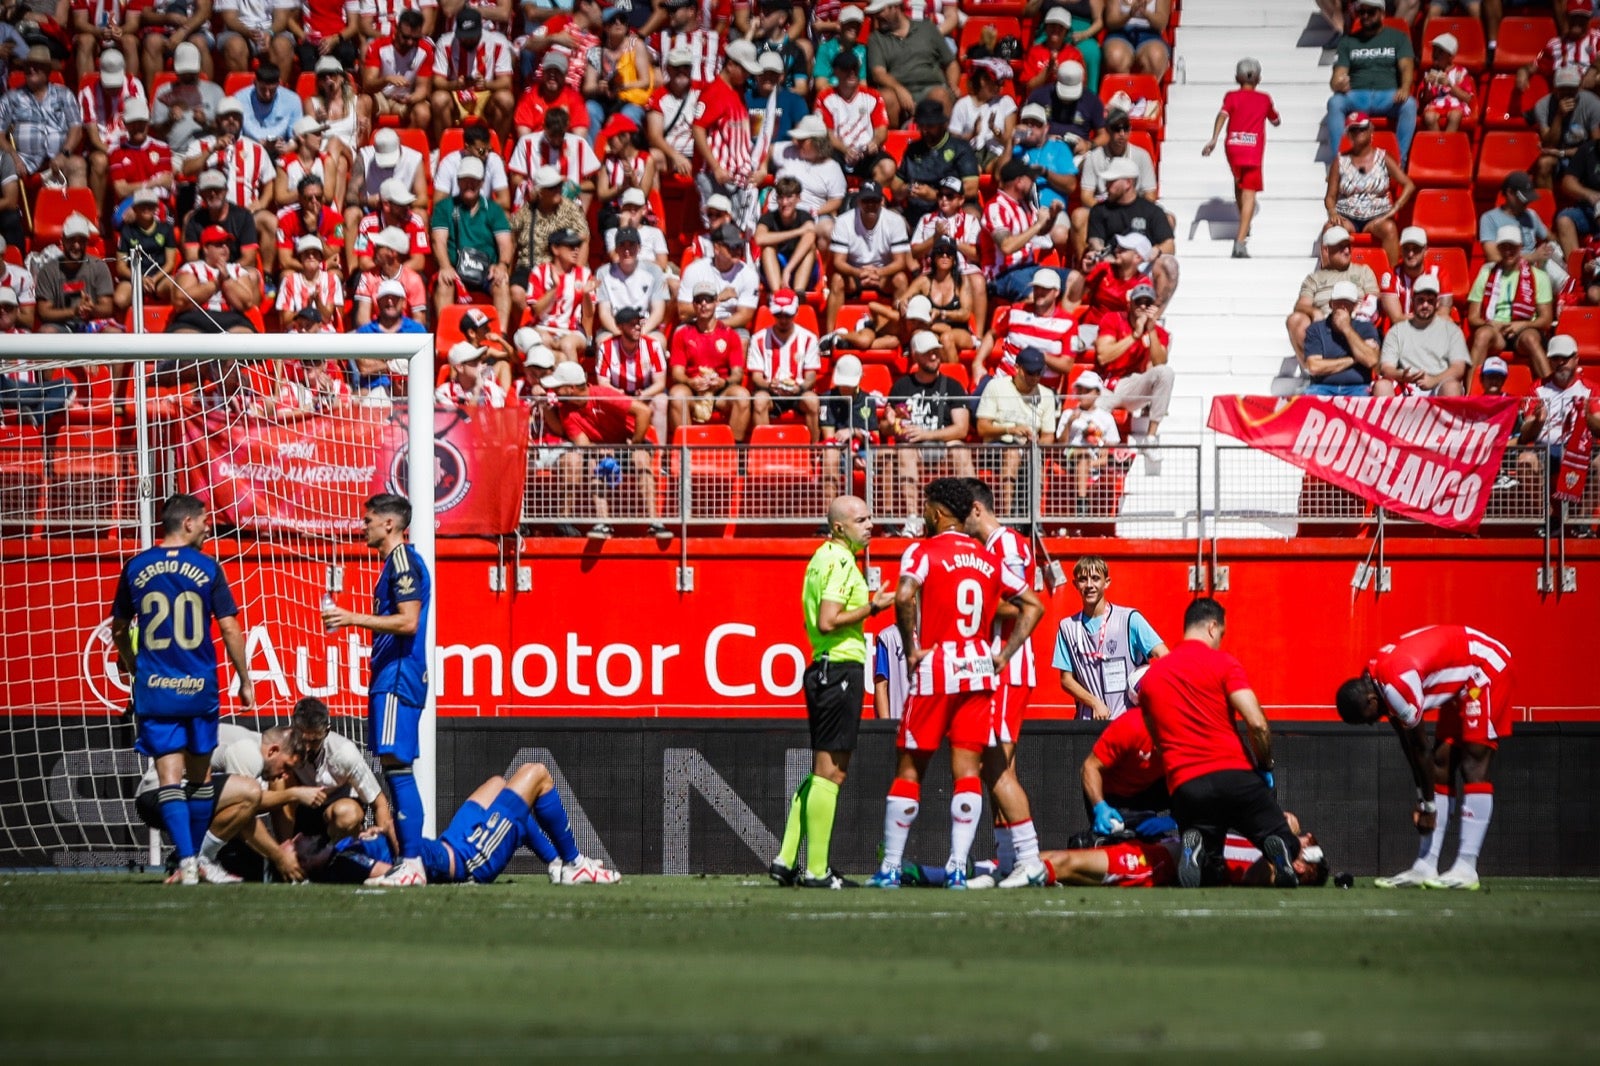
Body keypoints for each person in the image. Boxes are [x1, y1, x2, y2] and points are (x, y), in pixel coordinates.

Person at [866, 478, 1044, 890]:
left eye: (927, 508)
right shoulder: (986, 557)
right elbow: (1033, 604)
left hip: (938, 667)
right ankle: (957, 868)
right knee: (969, 770)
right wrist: (1002, 653)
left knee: (910, 767)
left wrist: (911, 649)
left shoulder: (922, 550)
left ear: (938, 511)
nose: (923, 515)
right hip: (979, 668)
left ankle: (891, 866)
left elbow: (904, 595)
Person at [110, 494, 254, 886]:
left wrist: (133, 664)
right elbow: (228, 628)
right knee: (201, 778)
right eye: (205, 521)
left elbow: (120, 628)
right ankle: (199, 859)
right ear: (188, 523)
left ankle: (189, 862)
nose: (209, 527)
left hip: (155, 689)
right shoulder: (207, 567)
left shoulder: (135, 566)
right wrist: (245, 679)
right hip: (198, 688)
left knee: (168, 777)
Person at [770, 495, 896, 890]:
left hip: (826, 668)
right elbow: (828, 621)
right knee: (832, 773)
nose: (870, 524)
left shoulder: (821, 558)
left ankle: (787, 859)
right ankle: (816, 869)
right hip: (838, 667)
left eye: (870, 517)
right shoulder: (841, 562)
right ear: (839, 527)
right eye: (861, 520)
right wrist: (874, 608)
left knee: (822, 772)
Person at [1336, 626, 1516, 891]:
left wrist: (1428, 807)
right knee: (1442, 764)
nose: (1372, 723)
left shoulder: (1395, 686)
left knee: (1473, 763)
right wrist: (1423, 799)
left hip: (1484, 669)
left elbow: (1420, 746)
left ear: (1372, 702)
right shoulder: (1372, 681)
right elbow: (1408, 745)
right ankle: (1426, 864)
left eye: (1368, 719)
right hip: (1460, 682)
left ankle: (1466, 866)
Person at [1139, 598, 1299, 888]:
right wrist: (1264, 765)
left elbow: (1157, 741)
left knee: (1211, 870)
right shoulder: (1224, 662)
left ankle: (1198, 843)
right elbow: (1257, 723)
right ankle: (1275, 844)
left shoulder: (1151, 679)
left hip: (1187, 784)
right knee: (1289, 843)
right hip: (1235, 775)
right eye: (1221, 634)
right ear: (1213, 627)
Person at [321, 493, 433, 887]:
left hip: (397, 677)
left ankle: (412, 862)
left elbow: (408, 622)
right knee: (396, 768)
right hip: (396, 677)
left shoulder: (402, 561)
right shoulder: (395, 564)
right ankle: (410, 861)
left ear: (389, 524)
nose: (362, 525)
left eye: (368, 519)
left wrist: (350, 617)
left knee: (397, 770)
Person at [308, 762, 620, 887]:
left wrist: (369, 833)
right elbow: (391, 872)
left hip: (450, 842)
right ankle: (573, 863)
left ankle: (555, 863)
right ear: (307, 863)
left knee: (499, 784)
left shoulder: (346, 849)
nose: (297, 841)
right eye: (300, 848)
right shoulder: (343, 863)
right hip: (468, 859)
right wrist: (387, 828)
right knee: (536, 773)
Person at [957, 479, 1049, 890]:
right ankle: (1009, 858)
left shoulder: (1007, 544)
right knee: (996, 766)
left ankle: (1026, 859)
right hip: (995, 668)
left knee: (995, 765)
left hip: (1008, 667)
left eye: (961, 515)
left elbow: (1021, 604)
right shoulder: (992, 548)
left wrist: (968, 594)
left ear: (976, 509)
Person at [132, 722, 308, 884]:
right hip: (158, 796)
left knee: (246, 804)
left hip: (163, 797)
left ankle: (192, 858)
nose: (285, 775)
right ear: (273, 751)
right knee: (250, 792)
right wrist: (280, 857)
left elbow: (240, 810)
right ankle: (198, 859)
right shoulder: (249, 751)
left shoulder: (251, 745)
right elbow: (246, 813)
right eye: (287, 767)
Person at [541, 361, 669, 541]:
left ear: (570, 389)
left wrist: (634, 443)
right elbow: (583, 444)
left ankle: (655, 523)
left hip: (631, 442)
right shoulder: (566, 411)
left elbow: (644, 412)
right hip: (603, 449)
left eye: (557, 387)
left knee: (640, 457)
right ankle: (603, 523)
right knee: (594, 460)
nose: (553, 391)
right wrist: (599, 449)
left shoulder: (602, 394)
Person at [1038, 816, 1328, 888]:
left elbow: (1259, 875)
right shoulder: (1263, 845)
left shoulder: (1272, 870)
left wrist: (1284, 841)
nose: (1308, 836)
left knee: (1064, 862)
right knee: (1066, 857)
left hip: (1158, 864)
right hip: (1163, 845)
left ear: (1301, 867)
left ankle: (996, 870)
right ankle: (1003, 869)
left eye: (1309, 844)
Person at [1052, 554, 1166, 721]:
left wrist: (1150, 689)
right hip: (1087, 725)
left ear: (1107, 582)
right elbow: (1066, 680)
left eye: (1096, 578)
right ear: (1075, 584)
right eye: (1083, 579)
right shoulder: (1067, 627)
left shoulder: (1129, 619)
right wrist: (1094, 703)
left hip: (1128, 722)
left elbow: (1164, 656)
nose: (1089, 585)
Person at [883, 333, 975, 534]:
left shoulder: (952, 386)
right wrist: (893, 424)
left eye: (936, 352)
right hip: (913, 448)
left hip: (942, 443)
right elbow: (888, 428)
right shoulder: (902, 386)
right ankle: (913, 519)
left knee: (961, 450)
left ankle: (970, 515)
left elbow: (961, 428)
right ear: (915, 355)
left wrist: (926, 435)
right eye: (928, 353)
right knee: (904, 451)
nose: (934, 356)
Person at [277, 697, 391, 845]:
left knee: (347, 813)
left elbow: (379, 802)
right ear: (293, 728)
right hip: (303, 811)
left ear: (326, 732)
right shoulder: (282, 746)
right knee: (279, 782)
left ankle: (345, 856)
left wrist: (383, 843)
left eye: (314, 741)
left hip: (338, 810)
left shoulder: (344, 753)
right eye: (302, 740)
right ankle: (285, 852)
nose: (306, 748)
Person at [1201, 58, 1279, 258]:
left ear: (1237, 78)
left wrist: (1214, 139)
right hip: (1252, 149)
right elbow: (1275, 119)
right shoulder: (1264, 98)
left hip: (1233, 148)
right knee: (1249, 193)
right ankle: (1240, 242)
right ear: (1259, 78)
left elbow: (1222, 115)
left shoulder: (1231, 96)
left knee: (1240, 183)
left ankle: (1245, 226)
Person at [1326, 0, 1417, 167]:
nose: (1365, 16)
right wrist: (1338, 84)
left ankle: (1399, 161)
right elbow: (1336, 76)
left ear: (1382, 13)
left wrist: (1405, 88)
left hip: (1387, 95)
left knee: (1409, 105)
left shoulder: (1398, 38)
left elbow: (1406, 66)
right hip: (1358, 95)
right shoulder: (1349, 41)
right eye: (1362, 12)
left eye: (1371, 12)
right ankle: (1339, 163)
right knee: (1335, 102)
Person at [1086, 157, 1178, 314]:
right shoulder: (1099, 211)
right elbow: (1096, 243)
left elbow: (1169, 245)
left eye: (1111, 181)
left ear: (1128, 183)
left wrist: (1155, 250)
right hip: (1113, 262)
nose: (1106, 186)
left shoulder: (1152, 211)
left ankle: (1153, 316)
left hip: (1141, 263)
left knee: (1169, 264)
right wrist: (1111, 258)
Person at [431, 155, 513, 327]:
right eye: (465, 180)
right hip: (455, 268)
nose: (470, 185)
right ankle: (444, 334)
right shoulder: (444, 207)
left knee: (502, 282)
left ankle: (500, 334)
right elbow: (439, 241)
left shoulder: (494, 209)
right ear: (458, 181)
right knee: (444, 281)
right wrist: (445, 266)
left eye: (474, 180)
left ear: (482, 182)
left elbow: (505, 243)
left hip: (485, 270)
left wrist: (502, 265)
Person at [974, 348, 1058, 514]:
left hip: (1027, 449)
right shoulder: (996, 386)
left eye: (1039, 372)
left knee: (1034, 455)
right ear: (1017, 368)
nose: (1035, 377)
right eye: (1030, 372)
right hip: (996, 447)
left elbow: (1048, 436)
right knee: (1012, 453)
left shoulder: (1047, 395)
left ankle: (1033, 517)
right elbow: (982, 427)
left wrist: (1036, 442)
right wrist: (1010, 430)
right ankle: (1008, 515)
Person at [1325, 111, 1414, 266]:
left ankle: (1391, 280)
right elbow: (1330, 197)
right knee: (1329, 228)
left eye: (1362, 128)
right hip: (1347, 216)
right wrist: (1332, 213)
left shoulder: (1383, 157)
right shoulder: (1340, 161)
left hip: (1377, 217)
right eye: (1353, 129)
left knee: (1389, 229)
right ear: (1349, 134)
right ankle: (1329, 277)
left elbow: (1409, 184)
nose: (1358, 132)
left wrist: (1395, 209)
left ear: (1371, 129)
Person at [667, 281, 753, 442]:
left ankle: (733, 454)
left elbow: (737, 373)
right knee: (677, 395)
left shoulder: (730, 334)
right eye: (699, 301)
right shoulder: (682, 333)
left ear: (716, 302)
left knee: (742, 396)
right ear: (693, 304)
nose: (703, 304)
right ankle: (685, 453)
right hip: (692, 388)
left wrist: (723, 382)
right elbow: (677, 372)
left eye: (708, 300)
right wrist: (690, 381)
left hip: (720, 390)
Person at [1467, 224, 1555, 379]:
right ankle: (1469, 395)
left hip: (1523, 328)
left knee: (1531, 338)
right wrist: (1489, 324)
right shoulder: (1486, 273)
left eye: (1512, 247)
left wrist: (1523, 324)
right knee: (1482, 335)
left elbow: (1546, 319)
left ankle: (1551, 392)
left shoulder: (1538, 276)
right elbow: (1473, 317)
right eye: (1504, 247)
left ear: (1520, 247)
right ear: (1499, 248)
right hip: (1495, 330)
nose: (1508, 252)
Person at [1093, 281, 1173, 448]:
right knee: (1091, 414)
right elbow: (1103, 356)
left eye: (1148, 303)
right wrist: (1135, 336)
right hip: (1108, 384)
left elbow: (1160, 363)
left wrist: (1150, 331)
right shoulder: (1113, 319)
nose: (1143, 306)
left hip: (1135, 386)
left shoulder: (1159, 332)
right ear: (1130, 303)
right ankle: (1092, 455)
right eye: (1139, 301)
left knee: (1166, 372)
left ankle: (1151, 437)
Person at [823, 181, 911, 333]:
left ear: (882, 201)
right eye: (866, 201)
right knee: (837, 280)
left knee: (901, 279)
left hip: (884, 274)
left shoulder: (895, 221)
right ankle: (830, 335)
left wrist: (878, 273)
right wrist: (860, 273)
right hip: (854, 273)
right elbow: (838, 262)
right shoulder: (844, 221)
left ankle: (901, 334)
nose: (870, 205)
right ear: (858, 201)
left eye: (875, 201)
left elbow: (900, 262)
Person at [986, 157, 1075, 305]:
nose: (1034, 183)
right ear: (1019, 181)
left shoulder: (1025, 206)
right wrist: (1038, 225)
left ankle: (1060, 324)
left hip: (1030, 268)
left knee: (1075, 280)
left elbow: (1040, 232)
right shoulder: (995, 208)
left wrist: (1052, 217)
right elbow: (1006, 247)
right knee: (1036, 296)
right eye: (1030, 179)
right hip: (1003, 274)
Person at [692, 38, 760, 231]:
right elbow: (697, 129)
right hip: (713, 174)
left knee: (735, 226)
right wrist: (716, 167)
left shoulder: (737, 91)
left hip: (734, 175)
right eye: (744, 70)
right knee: (716, 225)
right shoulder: (713, 93)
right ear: (730, 65)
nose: (747, 75)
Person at [1286, 226, 1381, 364]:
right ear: (1326, 250)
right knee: (1295, 319)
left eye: (1348, 246)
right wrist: (1315, 312)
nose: (1347, 250)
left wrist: (1356, 314)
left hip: (1355, 320)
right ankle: (1312, 369)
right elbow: (1301, 305)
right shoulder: (1314, 278)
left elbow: (1374, 297)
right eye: (1341, 247)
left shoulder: (1363, 271)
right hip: (1324, 324)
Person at [974, 269, 1080, 389]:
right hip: (1005, 382)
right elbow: (992, 334)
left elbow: (1066, 366)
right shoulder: (1016, 311)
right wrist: (977, 363)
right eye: (1036, 288)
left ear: (1056, 292)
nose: (1039, 292)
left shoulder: (1068, 323)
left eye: (1045, 289)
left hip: (1040, 391)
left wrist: (1038, 357)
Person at [1080, 694, 1169, 836]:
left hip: (1151, 789)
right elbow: (1090, 767)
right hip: (1112, 793)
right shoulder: (1130, 726)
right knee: (1115, 836)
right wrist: (1099, 806)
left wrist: (1177, 819)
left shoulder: (1187, 736)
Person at [863, 0, 957, 128]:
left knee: (940, 95)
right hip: (898, 92)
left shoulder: (927, 28)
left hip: (930, 87)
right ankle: (893, 142)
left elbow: (951, 63)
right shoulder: (876, 38)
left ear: (895, 7)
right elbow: (878, 73)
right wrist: (899, 89)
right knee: (885, 98)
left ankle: (942, 142)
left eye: (880, 11)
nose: (877, 16)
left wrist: (953, 85)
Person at [892, 97, 979, 230]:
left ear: (942, 124)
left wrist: (935, 196)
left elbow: (971, 188)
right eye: (922, 126)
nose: (925, 130)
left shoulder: (960, 148)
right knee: (889, 218)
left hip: (952, 208)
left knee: (972, 215)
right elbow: (896, 185)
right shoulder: (913, 149)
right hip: (916, 209)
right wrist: (908, 189)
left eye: (930, 126)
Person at [1376, 275, 1470, 397]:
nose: (1425, 305)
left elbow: (1458, 368)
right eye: (1421, 300)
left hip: (1438, 383)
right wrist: (1401, 375)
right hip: (1406, 382)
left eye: (1430, 301)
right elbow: (1386, 367)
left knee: (1452, 387)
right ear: (1412, 301)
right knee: (1381, 386)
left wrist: (1433, 381)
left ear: (1437, 303)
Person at [747, 288, 822, 440]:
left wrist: (799, 388)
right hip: (771, 391)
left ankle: (814, 452)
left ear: (796, 313)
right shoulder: (759, 339)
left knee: (812, 401)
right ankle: (764, 452)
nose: (783, 320)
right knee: (759, 401)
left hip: (798, 391)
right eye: (778, 315)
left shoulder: (808, 338)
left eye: (787, 315)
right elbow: (756, 376)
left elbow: (811, 376)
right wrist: (769, 385)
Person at [431, 8, 515, 141]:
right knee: (438, 99)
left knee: (506, 99)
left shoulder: (498, 43)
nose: (468, 40)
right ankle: (444, 148)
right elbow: (437, 81)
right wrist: (455, 84)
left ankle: (497, 150)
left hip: (486, 95)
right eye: (464, 36)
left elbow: (505, 82)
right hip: (456, 95)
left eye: (472, 36)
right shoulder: (445, 43)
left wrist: (487, 84)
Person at [35, 214, 119, 335]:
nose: (76, 245)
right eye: (71, 240)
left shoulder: (99, 266)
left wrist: (91, 309)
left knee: (114, 333)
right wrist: (74, 311)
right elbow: (44, 312)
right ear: (63, 239)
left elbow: (108, 308)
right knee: (46, 332)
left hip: (91, 323)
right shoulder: (48, 270)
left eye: (81, 240)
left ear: (87, 242)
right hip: (61, 325)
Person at [361, 8, 436, 135]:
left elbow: (422, 89)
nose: (410, 42)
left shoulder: (425, 51)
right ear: (396, 30)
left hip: (405, 98)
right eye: (406, 37)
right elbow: (368, 85)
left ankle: (406, 146)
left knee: (423, 112)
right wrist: (387, 79)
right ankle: (363, 147)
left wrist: (411, 99)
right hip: (381, 97)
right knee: (363, 102)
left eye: (415, 38)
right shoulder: (378, 46)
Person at [679, 223, 761, 337]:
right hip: (696, 324)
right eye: (732, 247)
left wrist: (714, 326)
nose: (738, 251)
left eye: (740, 246)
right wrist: (716, 299)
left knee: (742, 337)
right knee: (681, 332)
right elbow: (683, 312)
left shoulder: (749, 275)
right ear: (717, 248)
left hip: (729, 325)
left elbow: (745, 316)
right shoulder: (695, 270)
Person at [1302, 280, 1380, 397]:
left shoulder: (1366, 328)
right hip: (1322, 387)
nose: (1343, 307)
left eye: (1347, 303)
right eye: (1339, 302)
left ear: (1354, 306)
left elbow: (1372, 360)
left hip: (1358, 387)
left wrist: (1346, 329)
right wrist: (1355, 359)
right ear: (1331, 304)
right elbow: (1314, 367)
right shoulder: (1316, 329)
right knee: (1307, 399)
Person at [1528, 65, 1600, 191]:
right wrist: (1559, 116)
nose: (1567, 93)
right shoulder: (1542, 106)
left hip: (1584, 156)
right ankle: (1545, 207)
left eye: (1571, 88)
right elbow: (1549, 144)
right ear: (1555, 88)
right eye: (1563, 88)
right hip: (1556, 156)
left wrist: (1563, 153)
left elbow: (1596, 146)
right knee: (1544, 164)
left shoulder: (1593, 104)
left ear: (1579, 87)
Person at [150, 41, 223, 159]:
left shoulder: (215, 91)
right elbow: (157, 132)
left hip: (207, 152)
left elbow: (224, 129)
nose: (188, 77)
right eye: (184, 73)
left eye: (191, 73)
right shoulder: (163, 91)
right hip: (176, 154)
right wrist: (170, 121)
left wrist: (206, 123)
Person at [754, 174, 820, 296]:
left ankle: (798, 295)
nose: (784, 202)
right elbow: (759, 239)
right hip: (774, 271)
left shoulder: (805, 217)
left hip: (799, 270)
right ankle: (777, 295)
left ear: (798, 198)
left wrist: (788, 270)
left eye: (789, 197)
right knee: (768, 248)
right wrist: (798, 232)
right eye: (780, 198)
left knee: (810, 248)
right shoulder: (768, 218)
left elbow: (810, 237)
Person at [1417, 31, 1475, 133]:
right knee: (1429, 117)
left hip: (1455, 105)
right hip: (1435, 105)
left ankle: (1446, 143)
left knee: (1455, 115)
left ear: (1450, 56)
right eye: (1434, 50)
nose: (1435, 54)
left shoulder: (1460, 72)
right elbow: (1425, 100)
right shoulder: (1429, 73)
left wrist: (1450, 86)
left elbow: (1468, 98)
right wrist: (1427, 85)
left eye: (1440, 52)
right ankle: (1439, 145)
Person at [1103, 0, 1172, 81]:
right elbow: (1111, 22)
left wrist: (1145, 13)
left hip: (1150, 33)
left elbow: (1162, 23)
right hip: (1120, 32)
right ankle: (1124, 91)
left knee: (1156, 58)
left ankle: (1144, 92)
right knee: (1115, 57)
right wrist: (1129, 14)